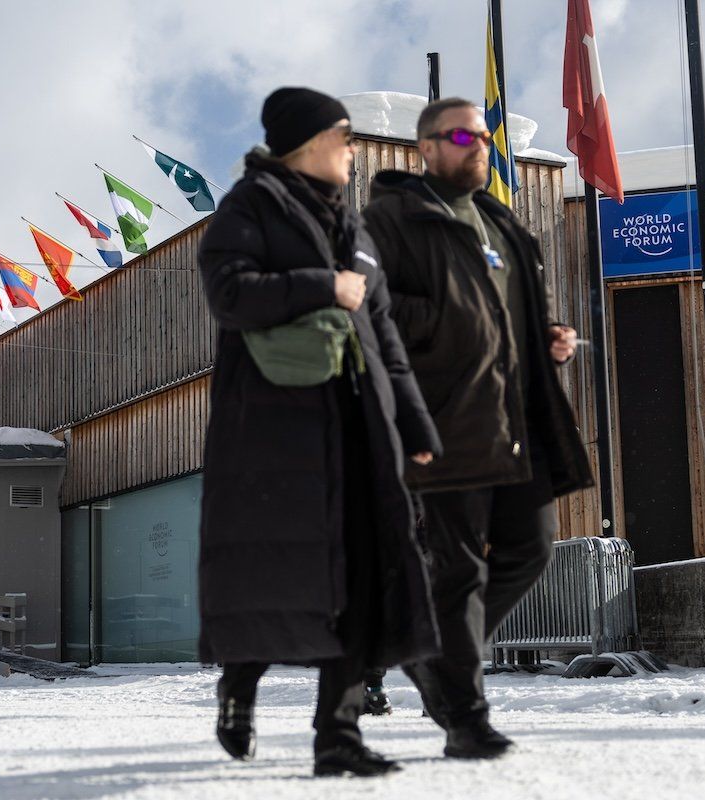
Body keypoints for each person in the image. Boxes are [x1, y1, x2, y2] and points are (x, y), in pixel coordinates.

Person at [197, 87, 443, 778]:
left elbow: (384, 333)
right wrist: (321, 285)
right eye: (345, 137)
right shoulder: (248, 207)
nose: (353, 150)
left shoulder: (355, 230)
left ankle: (336, 736)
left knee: (362, 576)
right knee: (269, 574)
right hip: (271, 434)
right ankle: (237, 689)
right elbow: (230, 294)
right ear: (308, 143)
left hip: (357, 429)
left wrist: (414, 420)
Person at [362, 97, 594, 759]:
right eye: (464, 134)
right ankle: (465, 718)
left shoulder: (499, 220)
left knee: (531, 548)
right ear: (426, 148)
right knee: (458, 573)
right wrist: (446, 322)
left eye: (484, 136)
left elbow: (506, 314)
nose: (479, 146)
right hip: (441, 419)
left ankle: (425, 648)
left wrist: (544, 337)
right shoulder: (390, 219)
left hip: (515, 418)